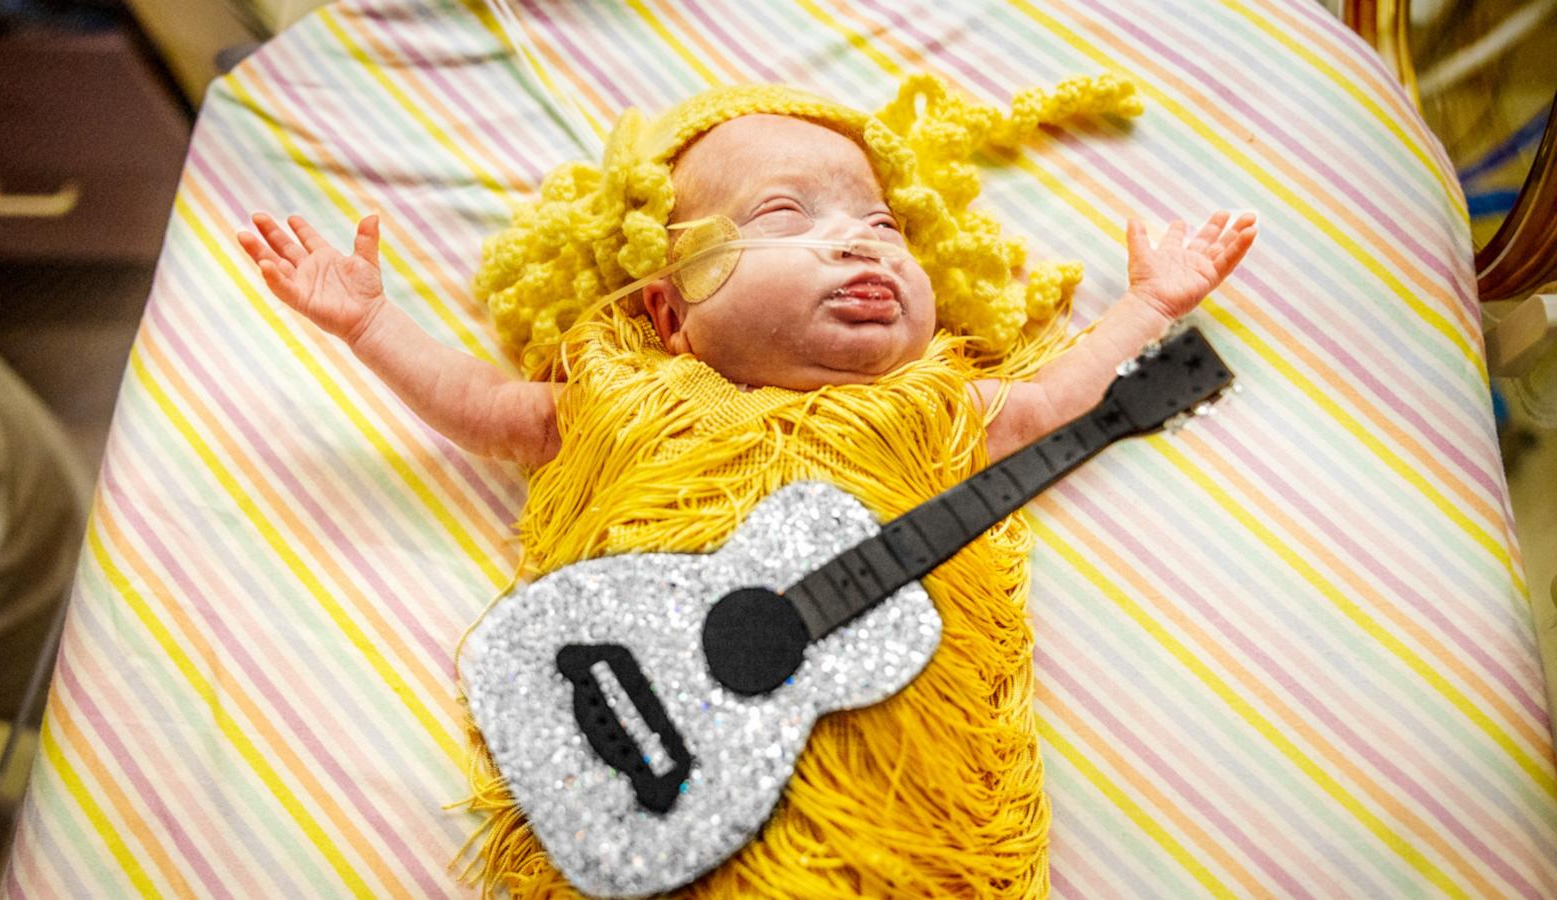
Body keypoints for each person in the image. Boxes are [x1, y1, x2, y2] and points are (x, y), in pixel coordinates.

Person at [237, 73, 1256, 898]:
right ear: (669, 311)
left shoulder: (937, 401)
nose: (858, 240)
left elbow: (1050, 406)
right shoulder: (622, 392)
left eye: (884, 225)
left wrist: (1149, 305)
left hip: (893, 798)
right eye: (786, 215)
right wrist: (370, 325)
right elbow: (482, 407)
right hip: (639, 768)